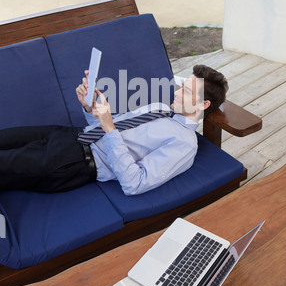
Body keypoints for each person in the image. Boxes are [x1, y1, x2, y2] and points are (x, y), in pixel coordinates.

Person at [0, 65, 228, 195]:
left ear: (203, 105)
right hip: (70, 134)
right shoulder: (159, 108)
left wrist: (109, 127)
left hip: (75, 162)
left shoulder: (184, 144)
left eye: (186, 92)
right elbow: (111, 124)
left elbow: (134, 183)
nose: (176, 93)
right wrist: (90, 107)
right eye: (181, 87)